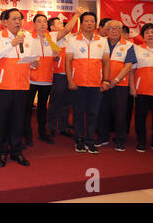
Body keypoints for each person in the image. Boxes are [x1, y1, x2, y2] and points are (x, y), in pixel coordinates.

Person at [25, 9, 84, 146]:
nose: (42, 24)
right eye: (39, 22)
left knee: (42, 109)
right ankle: (27, 135)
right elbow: (22, 56)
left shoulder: (51, 38)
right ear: (33, 25)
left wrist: (55, 57)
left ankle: (42, 133)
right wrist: (30, 62)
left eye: (44, 21)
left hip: (46, 80)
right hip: (31, 80)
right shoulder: (28, 38)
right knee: (27, 109)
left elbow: (55, 51)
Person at [0, 8, 39, 167]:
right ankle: (2, 151)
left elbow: (27, 59)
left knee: (19, 120)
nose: (18, 22)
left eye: (20, 19)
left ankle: (17, 151)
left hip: (22, 85)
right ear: (5, 21)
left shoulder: (28, 37)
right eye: (14, 19)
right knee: (3, 121)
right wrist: (11, 44)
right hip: (4, 85)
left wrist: (33, 63)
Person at [66, 12, 110, 154]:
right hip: (78, 83)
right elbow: (68, 62)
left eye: (92, 21)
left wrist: (106, 80)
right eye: (86, 21)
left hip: (96, 84)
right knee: (78, 113)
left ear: (95, 24)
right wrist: (70, 80)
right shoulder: (73, 40)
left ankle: (90, 140)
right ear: (81, 23)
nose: (89, 23)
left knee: (93, 113)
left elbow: (106, 63)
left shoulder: (102, 41)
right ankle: (79, 140)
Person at [96, 20, 136, 152]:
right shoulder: (100, 43)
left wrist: (116, 79)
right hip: (102, 82)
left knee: (120, 113)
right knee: (102, 111)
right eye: (110, 28)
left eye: (117, 28)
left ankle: (120, 140)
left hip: (120, 84)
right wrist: (105, 80)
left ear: (121, 30)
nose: (113, 31)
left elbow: (128, 66)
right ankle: (103, 136)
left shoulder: (129, 45)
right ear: (106, 31)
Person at [130, 23, 153, 154]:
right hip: (142, 90)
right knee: (140, 118)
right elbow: (132, 71)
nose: (150, 35)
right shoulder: (136, 49)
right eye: (147, 33)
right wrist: (132, 88)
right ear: (143, 36)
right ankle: (141, 141)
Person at [47, 17, 75, 139]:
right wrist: (77, 15)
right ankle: (51, 127)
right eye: (58, 23)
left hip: (70, 75)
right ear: (52, 27)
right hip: (58, 75)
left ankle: (64, 127)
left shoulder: (70, 37)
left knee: (66, 103)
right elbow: (68, 28)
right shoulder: (52, 36)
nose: (62, 25)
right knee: (55, 103)